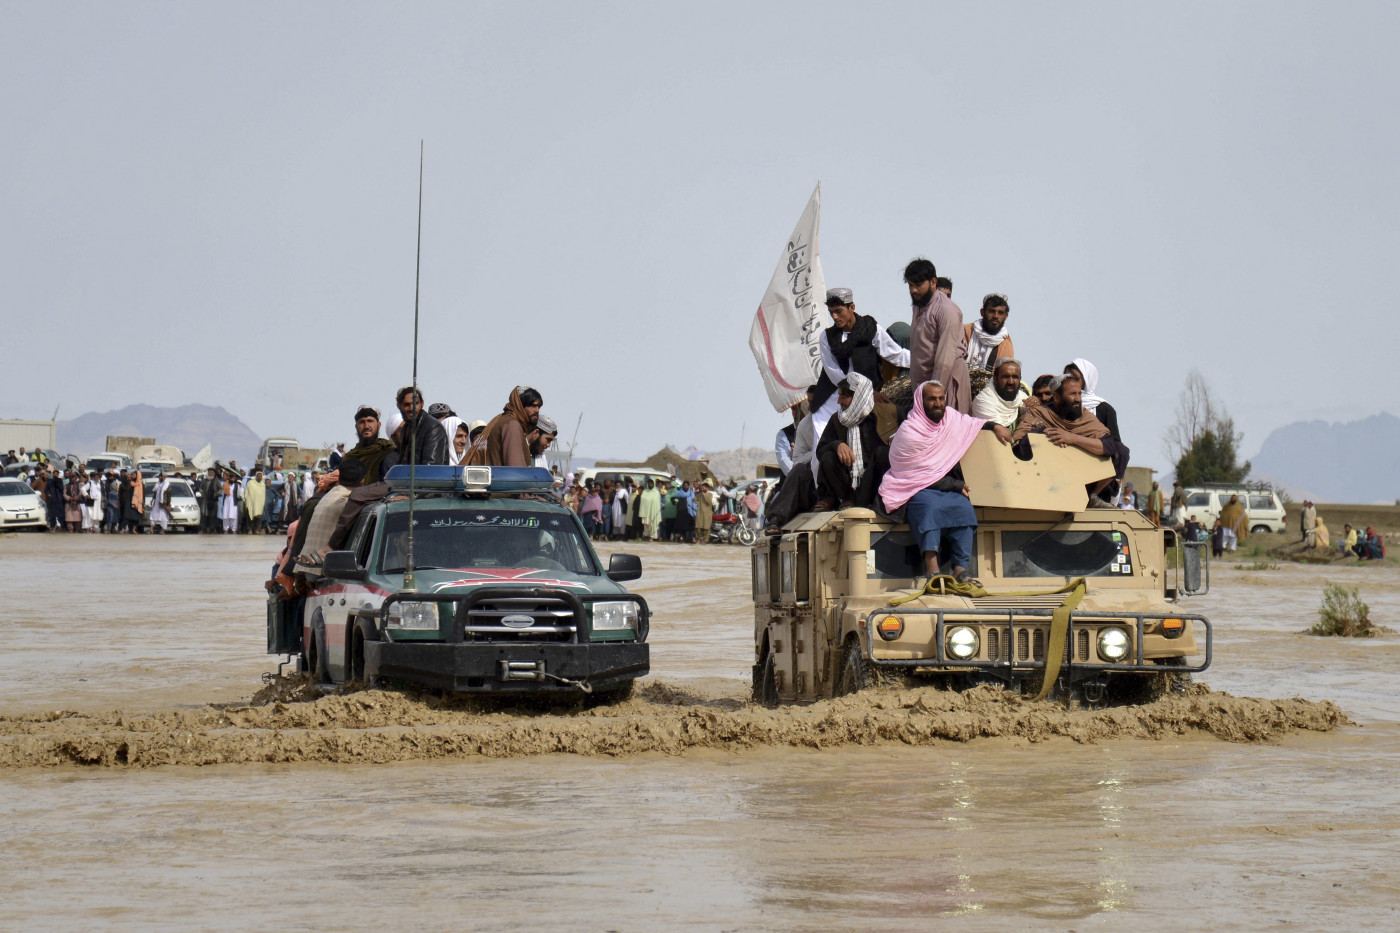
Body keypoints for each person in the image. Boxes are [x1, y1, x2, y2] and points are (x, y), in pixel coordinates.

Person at [878, 380, 987, 583]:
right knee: (930, 508)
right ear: (920, 401)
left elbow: (975, 424)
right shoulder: (909, 432)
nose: (938, 403)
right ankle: (933, 570)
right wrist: (955, 485)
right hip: (915, 487)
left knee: (963, 507)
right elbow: (921, 473)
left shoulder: (951, 419)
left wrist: (997, 427)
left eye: (941, 398)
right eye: (932, 399)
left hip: (945, 486)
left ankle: (960, 570)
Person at [1012, 374, 1130, 505]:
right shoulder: (1040, 414)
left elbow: (1110, 446)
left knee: (1121, 451)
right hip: (1046, 477)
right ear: (1056, 397)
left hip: (1083, 477)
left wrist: (1073, 439)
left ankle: (1091, 497)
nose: (1077, 399)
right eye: (1072, 394)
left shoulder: (1086, 417)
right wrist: (1045, 434)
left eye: (1079, 394)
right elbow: (1018, 442)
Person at [810, 287, 910, 440]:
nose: (835, 317)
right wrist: (863, 394)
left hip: (868, 397)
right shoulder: (827, 337)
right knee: (825, 443)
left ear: (852, 307)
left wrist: (926, 360)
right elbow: (834, 372)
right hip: (834, 397)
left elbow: (896, 355)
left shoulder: (871, 329)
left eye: (838, 311)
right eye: (831, 313)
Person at [905, 258, 970, 412]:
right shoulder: (919, 304)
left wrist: (934, 394)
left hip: (946, 384)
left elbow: (945, 358)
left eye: (918, 284)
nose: (914, 290)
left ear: (933, 282)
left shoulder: (946, 310)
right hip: (925, 385)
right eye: (910, 285)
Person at [814, 373, 887, 510]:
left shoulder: (883, 414)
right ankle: (848, 499)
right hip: (849, 485)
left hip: (875, 482)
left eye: (844, 397)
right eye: (839, 396)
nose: (839, 402)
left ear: (859, 396)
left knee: (882, 453)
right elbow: (820, 451)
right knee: (828, 457)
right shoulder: (837, 419)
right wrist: (837, 445)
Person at [295, 458, 367, 572]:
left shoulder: (328, 495)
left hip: (306, 566)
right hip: (321, 567)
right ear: (362, 481)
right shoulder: (348, 499)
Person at [468, 386, 541, 467]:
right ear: (519, 405)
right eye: (533, 406)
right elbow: (516, 471)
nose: (537, 410)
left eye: (539, 407)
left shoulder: (503, 420)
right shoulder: (512, 425)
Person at [963, 293, 1016, 398]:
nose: (996, 316)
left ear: (1006, 316)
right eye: (992, 311)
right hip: (960, 387)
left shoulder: (1006, 343)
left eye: (1000, 313)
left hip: (988, 396)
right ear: (982, 312)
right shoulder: (965, 331)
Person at [1063, 359, 1121, 441]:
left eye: (1074, 378)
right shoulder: (1059, 404)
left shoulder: (1104, 409)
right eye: (1066, 377)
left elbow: (1115, 445)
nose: (1070, 381)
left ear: (1087, 379)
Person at [341, 405, 400, 484]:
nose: (366, 426)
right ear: (356, 427)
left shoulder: (389, 450)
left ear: (379, 425)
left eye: (370, 421)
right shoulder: (349, 457)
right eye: (362, 422)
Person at [394, 386, 450, 467]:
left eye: (415, 403)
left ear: (422, 403)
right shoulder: (406, 428)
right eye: (407, 405)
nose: (411, 408)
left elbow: (430, 467)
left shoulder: (432, 427)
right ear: (399, 406)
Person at [970, 357, 1027, 431]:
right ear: (995, 379)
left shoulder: (1023, 398)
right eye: (1005, 377)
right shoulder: (983, 401)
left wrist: (1037, 408)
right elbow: (1002, 434)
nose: (1011, 382)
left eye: (1015, 377)